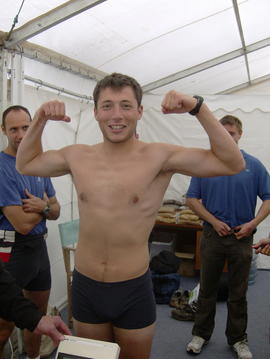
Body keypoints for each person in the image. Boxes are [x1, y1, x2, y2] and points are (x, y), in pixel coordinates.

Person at [16, 73, 244, 359]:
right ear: (95, 112)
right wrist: (39, 118)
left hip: (132, 288)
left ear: (139, 111)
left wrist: (198, 108)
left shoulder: (159, 156)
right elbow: (26, 163)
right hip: (86, 286)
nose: (116, 115)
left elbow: (232, 162)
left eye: (125, 105)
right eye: (107, 106)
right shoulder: (77, 155)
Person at [185, 115, 270, 359]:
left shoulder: (253, 165)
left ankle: (238, 339)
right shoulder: (205, 165)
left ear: (239, 135)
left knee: (238, 293)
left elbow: (268, 197)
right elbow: (191, 198)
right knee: (207, 290)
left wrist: (253, 224)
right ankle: (200, 334)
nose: (226, 137)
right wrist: (212, 220)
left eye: (230, 133)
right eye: (221, 133)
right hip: (212, 235)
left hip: (242, 236)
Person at [0, 105, 61, 359]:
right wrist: (45, 206)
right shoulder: (2, 167)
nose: (21, 134)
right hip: (12, 250)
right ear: (4, 130)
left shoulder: (39, 162)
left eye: (26, 127)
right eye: (14, 129)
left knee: (38, 316)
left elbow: (57, 210)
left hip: (38, 249)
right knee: (4, 325)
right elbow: (21, 224)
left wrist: (43, 205)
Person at [0, 259, 70, 345]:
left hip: (37, 254)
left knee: (38, 314)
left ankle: (35, 357)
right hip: (12, 256)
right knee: (4, 329)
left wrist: (36, 319)